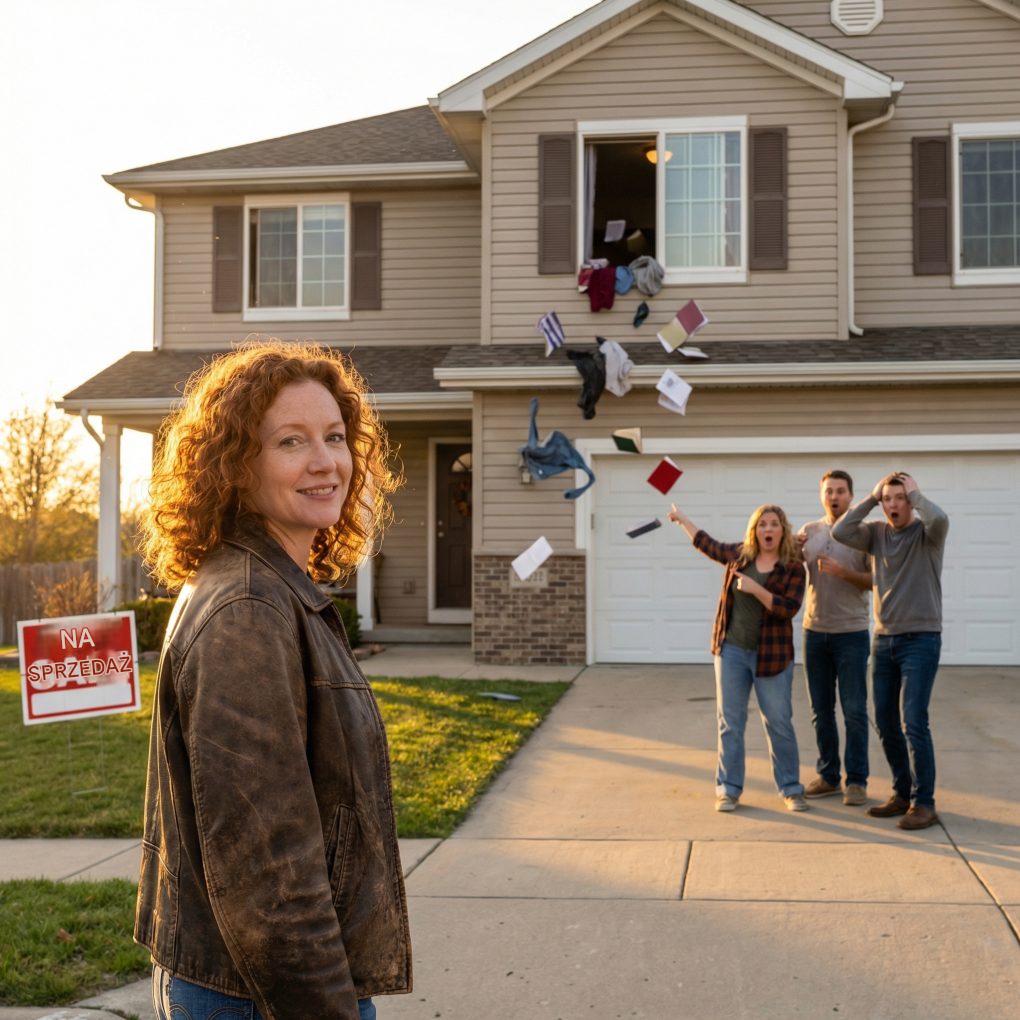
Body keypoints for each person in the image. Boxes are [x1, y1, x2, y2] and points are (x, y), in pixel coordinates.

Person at [138, 341, 410, 1019]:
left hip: (271, 983)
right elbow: (270, 875)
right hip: (266, 995)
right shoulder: (248, 611)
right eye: (292, 441)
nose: (327, 461)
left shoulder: (272, 590)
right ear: (235, 466)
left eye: (335, 436)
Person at [667, 502, 808, 813]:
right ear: (754, 530)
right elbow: (708, 544)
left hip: (772, 656)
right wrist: (683, 519)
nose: (768, 529)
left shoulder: (793, 567)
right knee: (730, 723)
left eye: (774, 524)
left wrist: (757, 589)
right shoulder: (740, 556)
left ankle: (791, 789)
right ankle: (728, 789)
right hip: (731, 651)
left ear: (782, 530)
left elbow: (788, 608)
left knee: (779, 723)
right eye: (762, 524)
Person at [832, 472, 949, 830]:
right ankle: (902, 793)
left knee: (913, 720)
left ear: (911, 500)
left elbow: (940, 518)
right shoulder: (875, 534)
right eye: (889, 499)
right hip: (884, 640)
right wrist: (870, 496)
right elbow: (840, 531)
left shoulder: (927, 534)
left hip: (921, 639)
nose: (894, 505)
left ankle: (924, 802)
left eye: (900, 498)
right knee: (884, 720)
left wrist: (917, 493)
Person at [797, 471, 873, 807]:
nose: (834, 497)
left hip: (851, 633)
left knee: (855, 710)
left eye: (841, 491)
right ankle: (828, 776)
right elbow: (783, 566)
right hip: (815, 632)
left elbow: (875, 580)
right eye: (829, 491)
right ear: (821, 496)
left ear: (851, 496)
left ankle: (856, 781)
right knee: (821, 710)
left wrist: (845, 574)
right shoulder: (810, 532)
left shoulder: (863, 533)